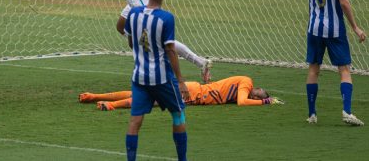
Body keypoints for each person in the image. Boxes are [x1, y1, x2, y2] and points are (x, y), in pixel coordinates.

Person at [296, 0, 366, 126]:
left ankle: (312, 115)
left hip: (314, 29)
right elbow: (344, 2)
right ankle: (347, 112)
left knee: (313, 69)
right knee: (344, 69)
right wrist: (355, 27)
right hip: (335, 29)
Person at [123, 0, 190, 161]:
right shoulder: (167, 18)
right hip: (162, 80)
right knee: (178, 115)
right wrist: (181, 81)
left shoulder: (133, 14)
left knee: (135, 121)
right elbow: (170, 50)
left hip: (139, 78)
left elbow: (131, 42)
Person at [79, 76, 284, 111]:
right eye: (258, 94)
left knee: (143, 93)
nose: (254, 95)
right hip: (193, 93)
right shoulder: (246, 82)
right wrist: (265, 102)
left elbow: (240, 100)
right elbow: (242, 102)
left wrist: (261, 99)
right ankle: (110, 105)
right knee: (149, 100)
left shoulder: (243, 88)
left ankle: (94, 96)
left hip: (194, 92)